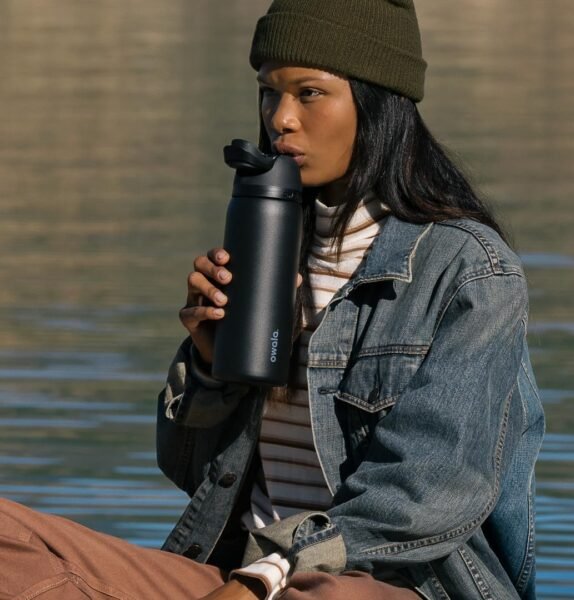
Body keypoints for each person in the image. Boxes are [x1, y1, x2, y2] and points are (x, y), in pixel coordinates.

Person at [0, 1, 544, 599]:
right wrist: (211, 368)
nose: (280, 118)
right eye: (268, 92)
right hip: (241, 574)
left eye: (309, 93)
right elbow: (191, 472)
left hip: (385, 586)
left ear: (376, 102)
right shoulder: (269, 242)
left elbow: (429, 491)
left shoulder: (469, 270)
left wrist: (271, 572)